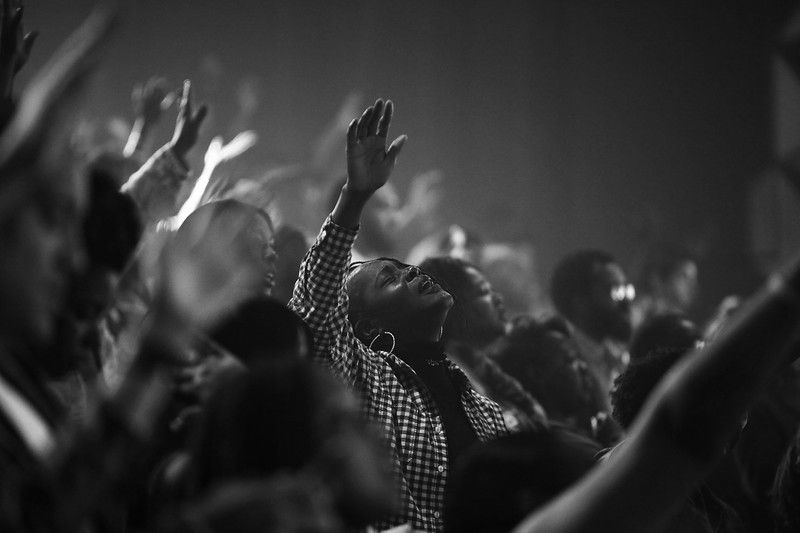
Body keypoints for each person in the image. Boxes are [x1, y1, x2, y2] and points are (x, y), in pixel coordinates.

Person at [290, 98, 508, 532]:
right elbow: (316, 302)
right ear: (367, 325)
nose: (412, 272)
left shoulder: (481, 404)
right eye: (390, 278)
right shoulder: (359, 378)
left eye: (405, 267)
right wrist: (355, 197)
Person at [419, 256, 547, 430]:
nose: (498, 298)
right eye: (484, 291)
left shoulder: (479, 366)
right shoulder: (451, 379)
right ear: (454, 305)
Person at [549, 249, 635, 397]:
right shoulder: (557, 367)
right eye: (614, 291)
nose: (626, 302)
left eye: (627, 290)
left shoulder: (619, 359)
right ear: (580, 303)